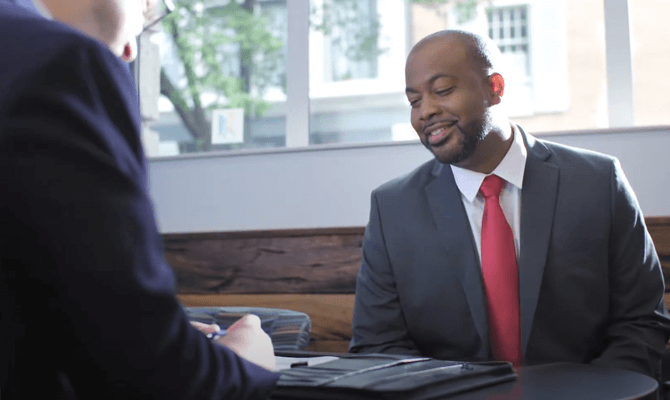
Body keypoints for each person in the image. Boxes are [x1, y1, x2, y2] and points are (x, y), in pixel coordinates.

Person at [349, 29, 670, 386]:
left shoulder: (598, 182)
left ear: (495, 88)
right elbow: (378, 345)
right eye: (414, 101)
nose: (426, 112)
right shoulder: (393, 208)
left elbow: (641, 320)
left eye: (442, 91)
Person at [0, 0, 279, 398]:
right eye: (147, 6)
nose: (131, 51)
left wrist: (142, 330)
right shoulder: (63, 63)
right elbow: (159, 382)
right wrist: (248, 361)